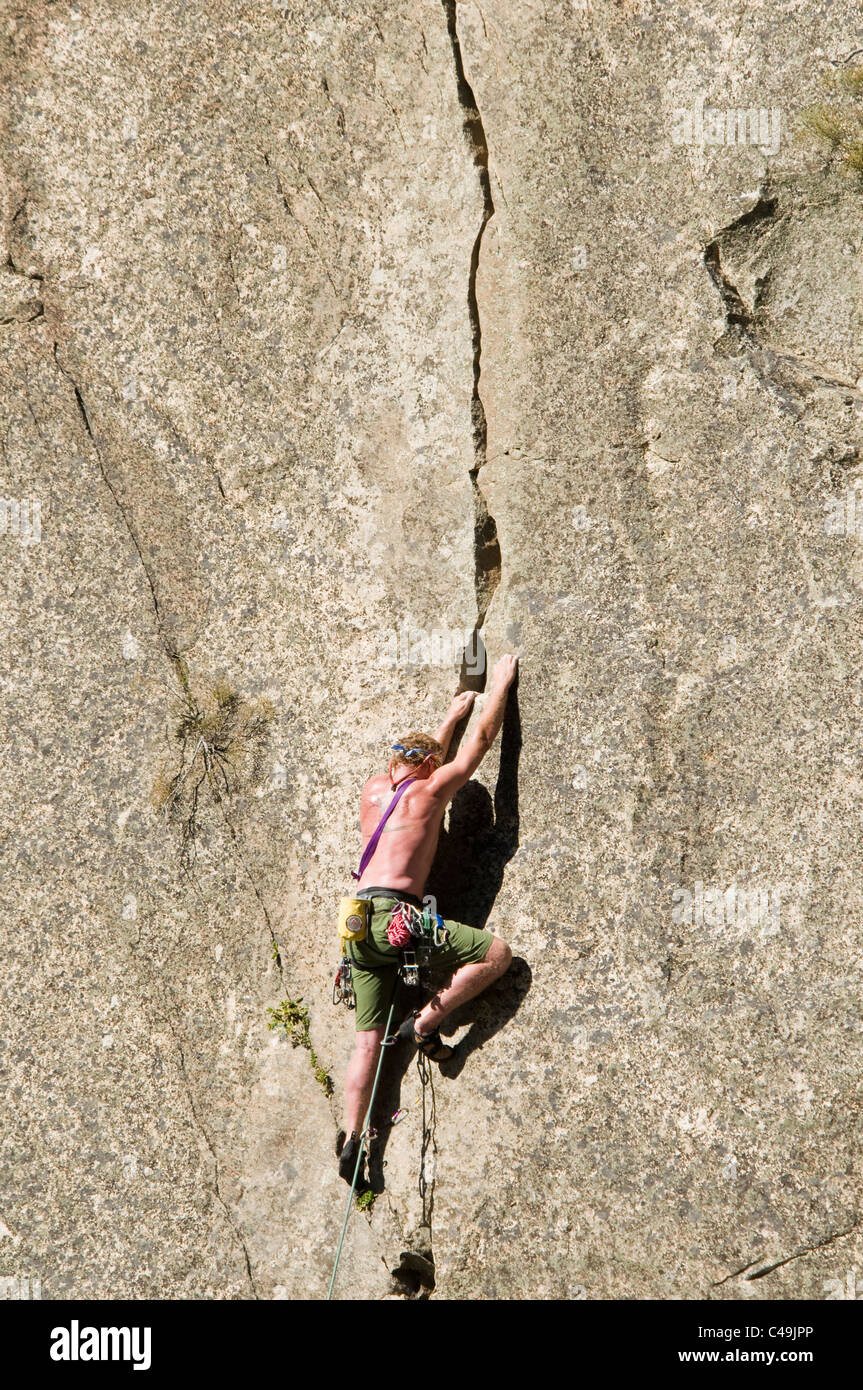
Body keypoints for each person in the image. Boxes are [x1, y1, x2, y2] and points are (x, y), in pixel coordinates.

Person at [338, 654, 518, 1183]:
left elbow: (415, 761)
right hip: (398, 916)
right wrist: (500, 687)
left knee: (366, 1041)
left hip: (356, 924)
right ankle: (425, 1024)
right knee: (497, 955)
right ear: (428, 770)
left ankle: (352, 1136)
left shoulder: (375, 791)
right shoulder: (429, 793)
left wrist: (447, 712)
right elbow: (477, 747)